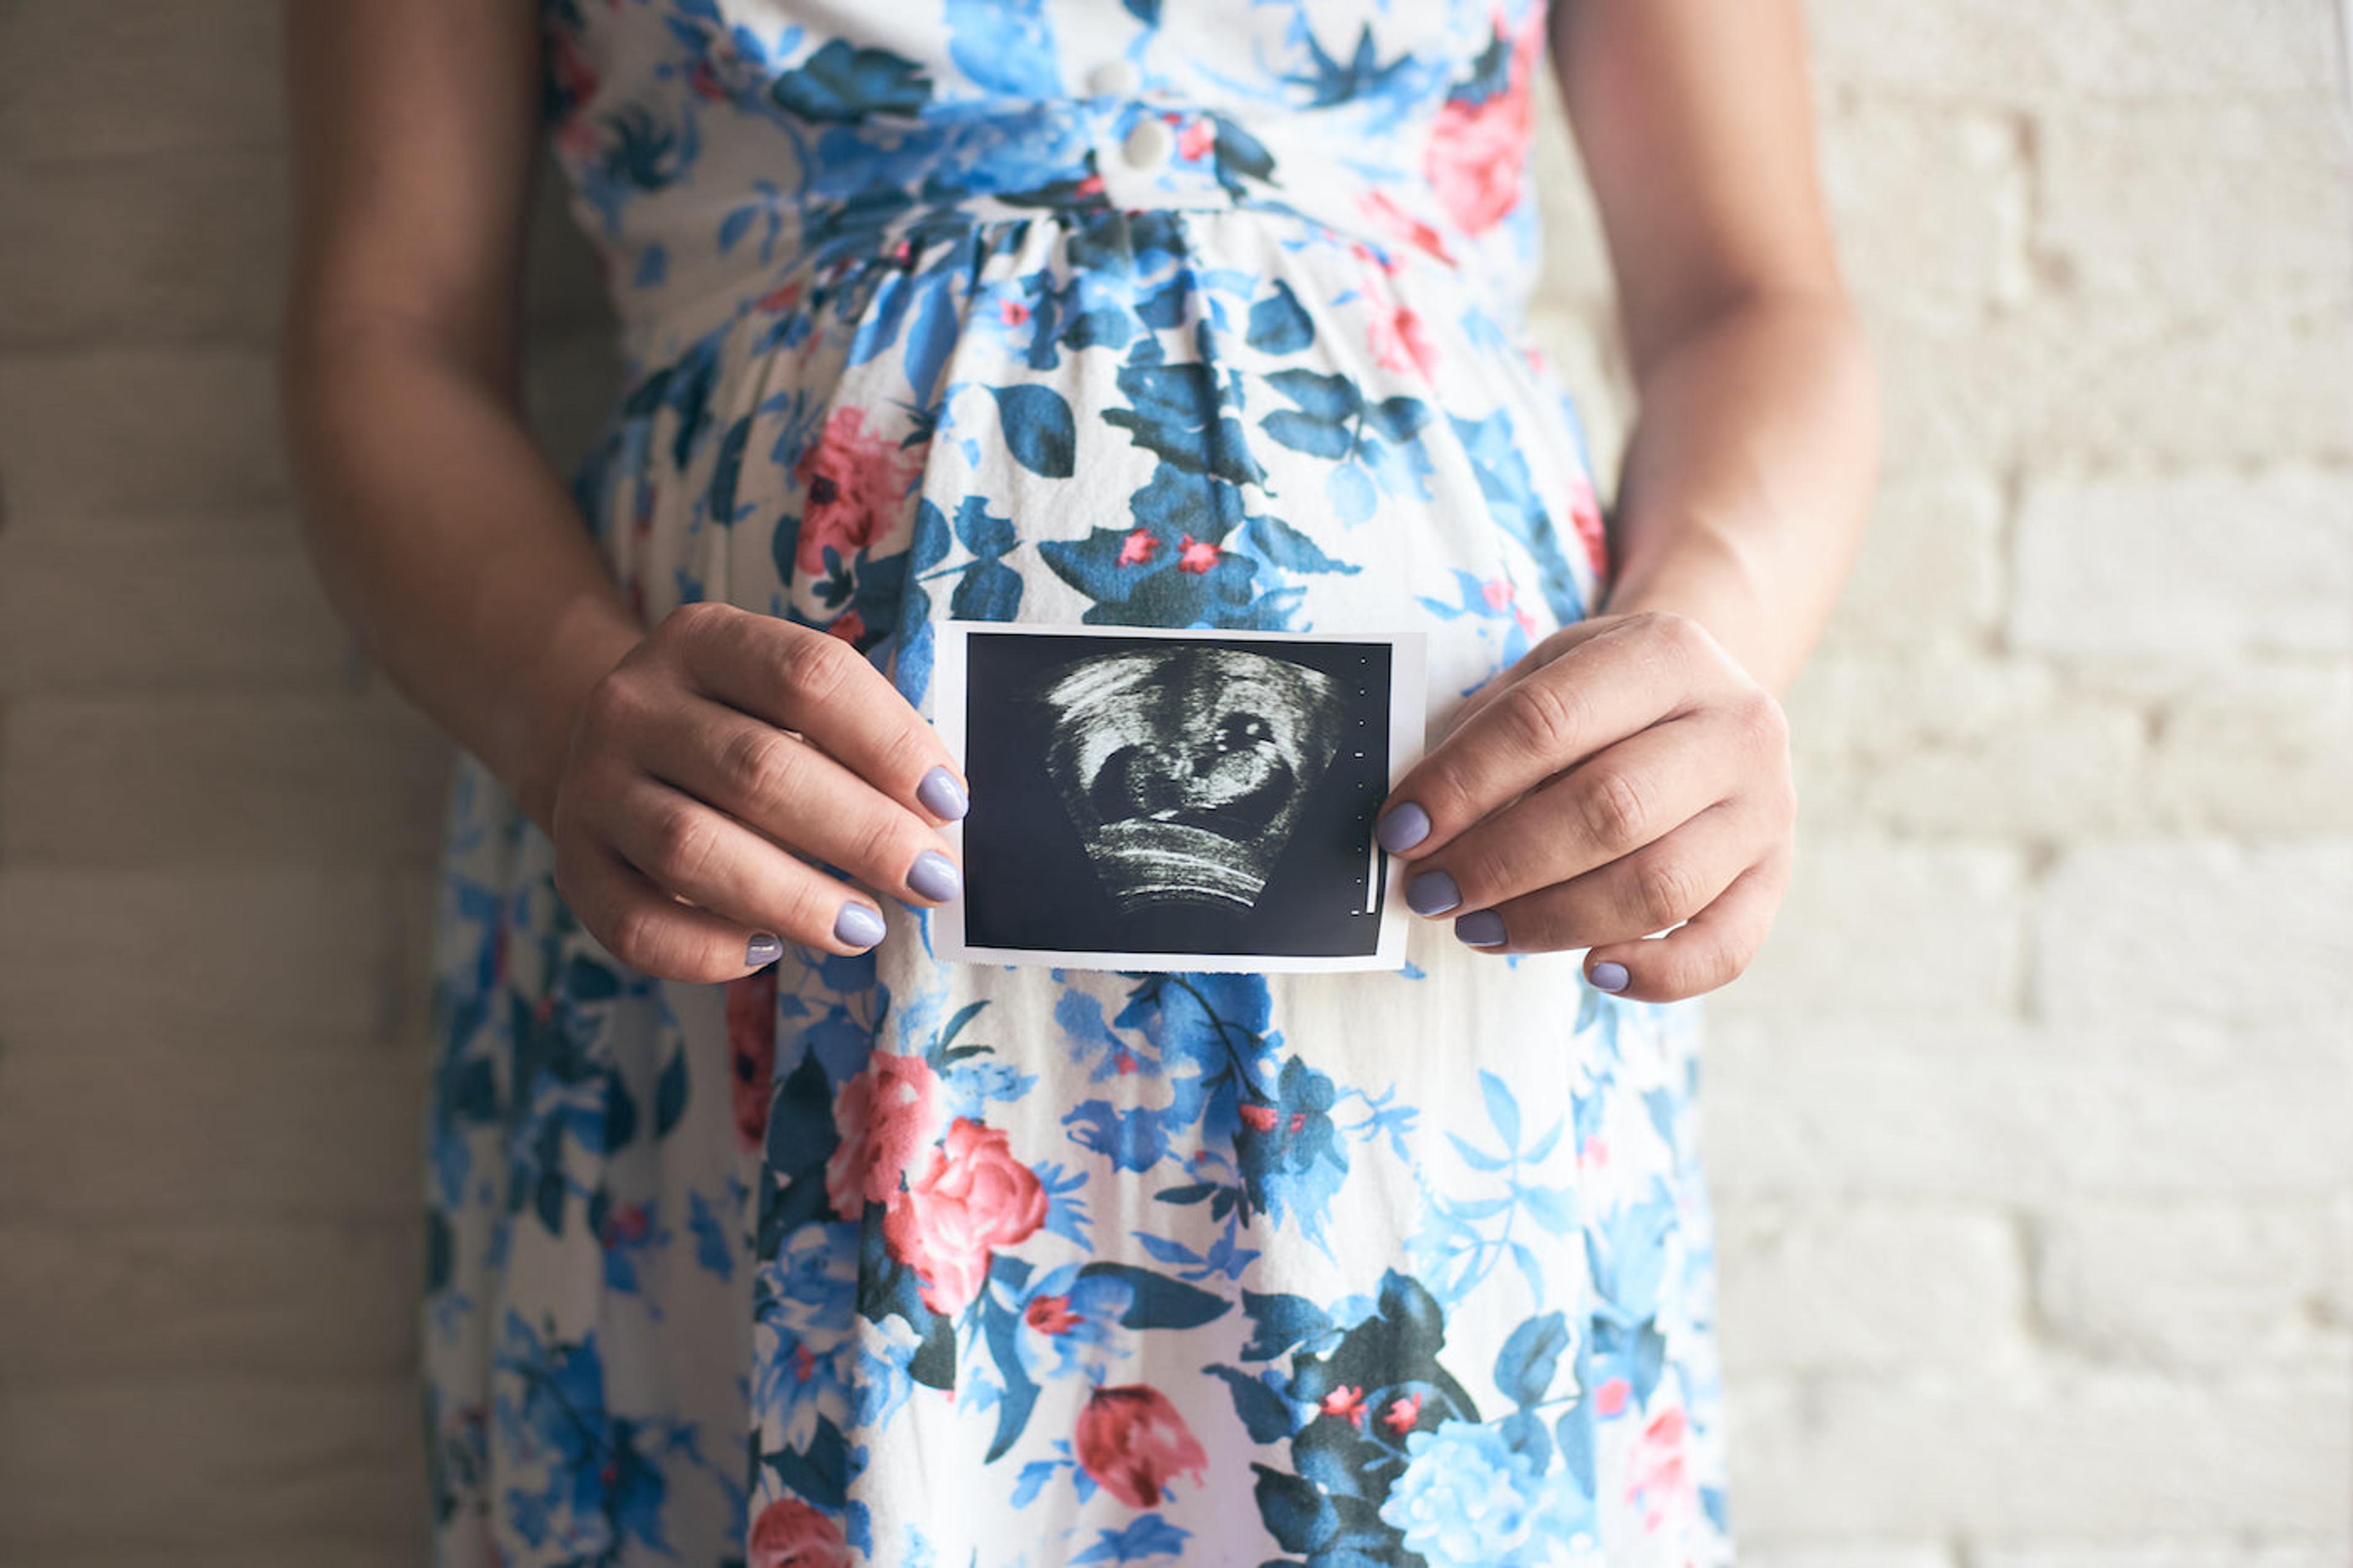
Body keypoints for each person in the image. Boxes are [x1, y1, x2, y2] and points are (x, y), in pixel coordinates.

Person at [281, 1, 1876, 1562]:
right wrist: (565, 704)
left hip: (1448, 971)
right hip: (747, 914)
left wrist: (1708, 645)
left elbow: (1752, 295)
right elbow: (387, 327)